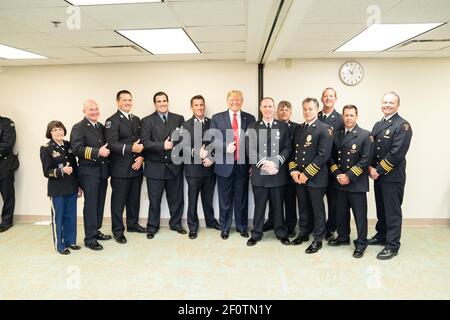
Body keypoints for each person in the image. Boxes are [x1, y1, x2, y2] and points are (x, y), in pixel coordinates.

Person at [368, 92, 412, 260]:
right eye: (385, 102)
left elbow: (396, 153)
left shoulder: (403, 126)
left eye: (391, 103)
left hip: (392, 177)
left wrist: (377, 170)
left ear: (397, 105)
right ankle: (381, 236)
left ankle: (392, 245)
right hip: (378, 175)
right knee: (381, 208)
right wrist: (370, 167)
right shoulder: (378, 124)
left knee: (392, 211)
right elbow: (372, 148)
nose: (387, 105)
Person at [289, 97, 333, 254]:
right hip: (299, 177)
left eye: (311, 109)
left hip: (316, 177)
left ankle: (318, 239)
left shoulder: (325, 128)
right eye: (305, 109)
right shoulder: (299, 129)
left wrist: (306, 174)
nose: (307, 112)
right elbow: (294, 153)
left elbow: (323, 156)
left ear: (317, 109)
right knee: (302, 207)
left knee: (317, 209)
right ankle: (304, 233)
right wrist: (294, 171)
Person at [328, 105, 372, 258]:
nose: (348, 118)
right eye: (346, 115)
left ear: (356, 116)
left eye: (351, 115)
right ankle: (343, 237)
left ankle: (361, 243)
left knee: (360, 216)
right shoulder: (337, 135)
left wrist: (349, 176)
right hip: (339, 182)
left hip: (357, 183)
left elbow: (365, 160)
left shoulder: (365, 135)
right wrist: (338, 175)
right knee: (341, 213)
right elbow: (331, 157)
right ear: (343, 117)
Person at [246, 97, 291, 246]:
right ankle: (256, 233)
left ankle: (281, 232)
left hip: (277, 173)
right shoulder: (253, 127)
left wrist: (275, 162)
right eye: (265, 106)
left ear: (274, 108)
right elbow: (249, 149)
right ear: (260, 108)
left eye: (270, 106)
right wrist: (264, 164)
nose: (268, 109)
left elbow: (287, 148)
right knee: (259, 206)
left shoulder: (283, 126)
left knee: (278, 206)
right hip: (260, 174)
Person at [210, 90, 256, 240]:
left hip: (242, 165)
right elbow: (213, 139)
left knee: (241, 198)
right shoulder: (217, 118)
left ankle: (242, 227)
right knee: (225, 199)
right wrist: (225, 146)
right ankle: (225, 227)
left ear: (242, 101)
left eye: (238, 99)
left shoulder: (250, 118)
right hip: (224, 165)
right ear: (227, 101)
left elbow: (252, 143)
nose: (235, 102)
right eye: (232, 99)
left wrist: (252, 164)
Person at [140, 91, 185, 239]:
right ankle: (152, 227)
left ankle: (176, 224)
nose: (162, 103)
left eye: (164, 101)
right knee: (154, 200)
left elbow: (183, 140)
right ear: (155, 104)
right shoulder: (146, 121)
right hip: (155, 167)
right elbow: (145, 143)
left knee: (176, 199)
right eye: (159, 101)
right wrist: (162, 145)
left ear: (168, 102)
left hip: (174, 166)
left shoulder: (178, 119)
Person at [105, 90, 146, 244]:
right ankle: (117, 230)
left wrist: (142, 156)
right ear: (118, 102)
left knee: (134, 199)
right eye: (124, 100)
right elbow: (112, 144)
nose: (128, 102)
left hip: (136, 166)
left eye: (129, 100)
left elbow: (142, 141)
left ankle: (133, 224)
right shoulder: (112, 120)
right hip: (120, 169)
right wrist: (131, 149)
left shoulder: (136, 119)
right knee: (118, 201)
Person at [70, 100, 111, 251]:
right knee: (91, 205)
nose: (94, 112)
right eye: (90, 110)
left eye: (96, 109)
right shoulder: (78, 127)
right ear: (84, 111)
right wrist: (96, 152)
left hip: (102, 172)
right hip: (88, 173)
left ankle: (96, 230)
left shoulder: (100, 127)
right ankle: (90, 238)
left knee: (99, 204)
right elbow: (76, 149)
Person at [40, 121, 82, 255]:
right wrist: (62, 171)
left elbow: (75, 168)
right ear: (50, 133)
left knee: (71, 216)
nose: (59, 132)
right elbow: (47, 172)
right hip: (57, 189)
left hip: (71, 187)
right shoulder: (46, 148)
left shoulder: (69, 145)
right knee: (58, 218)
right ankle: (60, 245)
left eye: (61, 129)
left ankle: (71, 241)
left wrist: (79, 185)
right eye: (55, 130)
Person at [181, 95, 220, 239]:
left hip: (210, 168)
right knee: (192, 200)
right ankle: (193, 227)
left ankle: (211, 222)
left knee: (208, 198)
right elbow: (183, 147)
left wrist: (212, 157)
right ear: (191, 107)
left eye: (201, 105)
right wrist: (197, 152)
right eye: (196, 105)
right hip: (193, 170)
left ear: (204, 106)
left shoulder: (213, 123)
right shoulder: (185, 125)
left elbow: (218, 143)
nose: (199, 107)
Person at [263, 100, 298, 237]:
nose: (284, 112)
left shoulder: (297, 127)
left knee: (290, 199)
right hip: (273, 168)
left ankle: (290, 226)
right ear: (277, 112)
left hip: (291, 168)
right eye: (281, 109)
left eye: (287, 109)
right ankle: (272, 221)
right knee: (273, 198)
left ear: (290, 112)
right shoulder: (272, 126)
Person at [318, 87, 344, 241]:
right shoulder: (316, 116)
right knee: (315, 200)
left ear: (335, 99)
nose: (328, 98)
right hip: (317, 167)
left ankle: (330, 228)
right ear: (321, 99)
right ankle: (317, 227)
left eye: (331, 96)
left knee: (333, 201)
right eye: (325, 96)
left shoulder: (341, 119)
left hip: (334, 166)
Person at [0, 115, 19, 233]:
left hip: (4, 165)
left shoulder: (7, 123)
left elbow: (8, 143)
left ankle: (6, 221)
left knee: (7, 194)